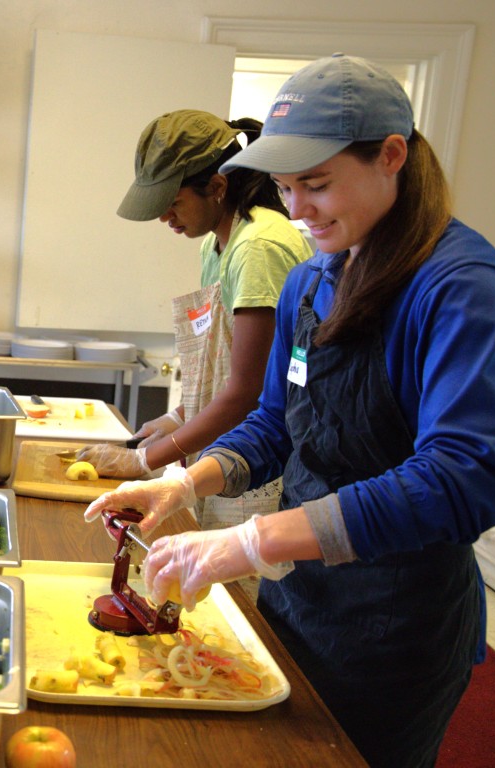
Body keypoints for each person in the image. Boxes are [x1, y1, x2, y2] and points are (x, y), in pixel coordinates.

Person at [84, 54, 495, 768]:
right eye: (284, 188)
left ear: (392, 157)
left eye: (315, 185)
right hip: (300, 598)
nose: (298, 210)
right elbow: (278, 422)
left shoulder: (461, 287)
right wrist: (187, 481)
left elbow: (465, 476)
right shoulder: (310, 282)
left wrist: (253, 542)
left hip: (395, 628)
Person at [78, 109, 312, 537]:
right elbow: (222, 365)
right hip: (223, 451)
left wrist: (146, 460)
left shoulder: (260, 245)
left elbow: (249, 392)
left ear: (218, 186)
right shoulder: (217, 245)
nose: (165, 217)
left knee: (245, 589)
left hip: (261, 465)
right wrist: (176, 419)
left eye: (172, 203)